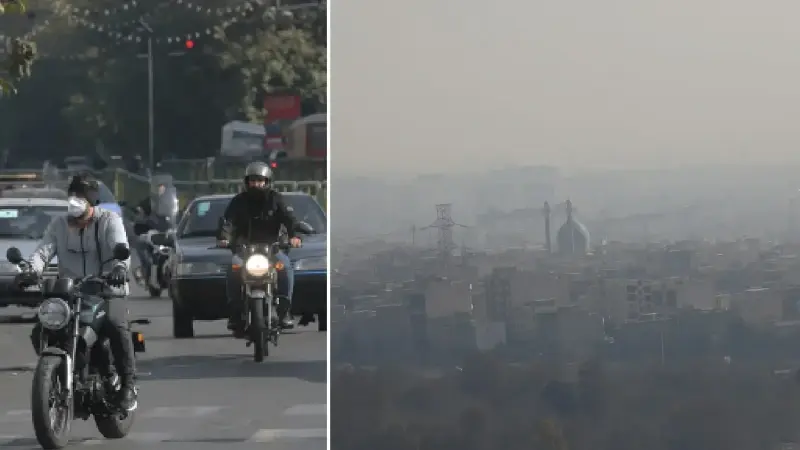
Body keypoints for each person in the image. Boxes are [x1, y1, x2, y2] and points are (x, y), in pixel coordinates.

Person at [15, 174, 138, 412]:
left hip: (107, 290)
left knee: (115, 324)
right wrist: (30, 271)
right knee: (41, 330)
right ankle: (62, 374)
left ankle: (128, 385)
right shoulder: (59, 225)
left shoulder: (109, 221)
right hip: (70, 292)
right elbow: (43, 251)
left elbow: (119, 247)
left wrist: (119, 268)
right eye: (72, 196)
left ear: (91, 201)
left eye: (80, 197)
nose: (74, 201)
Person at [216, 161, 302, 334]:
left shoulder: (276, 199)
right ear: (247, 182)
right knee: (233, 268)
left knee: (285, 267)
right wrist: (225, 238)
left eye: (260, 180)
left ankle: (284, 311)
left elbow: (289, 218)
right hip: (244, 250)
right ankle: (235, 313)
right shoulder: (238, 202)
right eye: (252, 180)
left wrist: (294, 236)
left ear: (267, 181)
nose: (256, 184)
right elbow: (228, 222)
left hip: (273, 249)